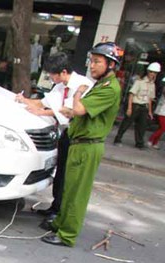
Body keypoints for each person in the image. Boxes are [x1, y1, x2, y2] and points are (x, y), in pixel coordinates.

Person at [41, 42, 122, 247]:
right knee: (68, 188)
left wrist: (78, 93)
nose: (92, 66)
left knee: (77, 193)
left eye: (97, 62)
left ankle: (67, 234)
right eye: (91, 61)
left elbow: (78, 109)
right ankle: (60, 223)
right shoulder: (100, 85)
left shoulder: (109, 89)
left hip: (88, 145)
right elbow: (74, 111)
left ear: (111, 65)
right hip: (79, 143)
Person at [15, 53, 93, 224]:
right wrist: (24, 100)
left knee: (67, 175)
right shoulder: (59, 86)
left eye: (52, 74)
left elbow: (69, 111)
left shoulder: (83, 85)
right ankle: (55, 206)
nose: (50, 77)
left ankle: (60, 212)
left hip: (78, 134)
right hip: (64, 133)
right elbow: (44, 103)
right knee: (60, 173)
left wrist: (41, 112)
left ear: (63, 72)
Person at [112, 62, 160, 149]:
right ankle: (118, 138)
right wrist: (129, 108)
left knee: (142, 126)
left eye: (155, 73)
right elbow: (131, 94)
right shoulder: (139, 82)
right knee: (126, 123)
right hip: (135, 105)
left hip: (144, 107)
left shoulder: (153, 85)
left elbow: (150, 99)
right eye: (151, 72)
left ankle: (139, 143)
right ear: (148, 72)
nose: (152, 74)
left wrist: (150, 111)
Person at [148, 76, 165, 149]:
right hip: (162, 112)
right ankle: (151, 139)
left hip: (162, 112)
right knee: (162, 128)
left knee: (161, 128)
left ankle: (155, 143)